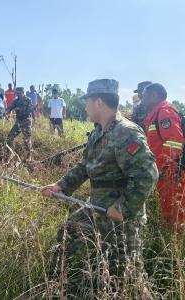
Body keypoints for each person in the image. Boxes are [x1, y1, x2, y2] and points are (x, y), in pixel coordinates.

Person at [41, 79, 158, 298]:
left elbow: (147, 175)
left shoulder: (127, 133)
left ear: (98, 102)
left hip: (120, 217)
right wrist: (61, 186)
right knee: (68, 232)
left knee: (127, 272)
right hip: (97, 208)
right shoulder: (97, 133)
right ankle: (61, 286)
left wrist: (123, 208)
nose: (85, 107)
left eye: (87, 101)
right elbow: (84, 165)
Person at [142, 83, 185, 231]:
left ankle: (175, 246)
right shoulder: (155, 115)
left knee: (174, 213)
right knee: (167, 209)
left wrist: (159, 167)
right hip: (163, 172)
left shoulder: (164, 113)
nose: (142, 101)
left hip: (170, 173)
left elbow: (175, 143)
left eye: (145, 97)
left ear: (154, 96)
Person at [5, 87, 35, 161]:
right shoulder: (16, 101)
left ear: (22, 92)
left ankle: (29, 156)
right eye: (16, 93)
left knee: (26, 140)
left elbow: (29, 110)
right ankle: (11, 153)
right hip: (18, 122)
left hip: (26, 121)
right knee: (10, 137)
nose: (17, 95)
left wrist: (19, 109)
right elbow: (10, 107)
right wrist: (6, 112)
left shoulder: (28, 100)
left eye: (19, 93)